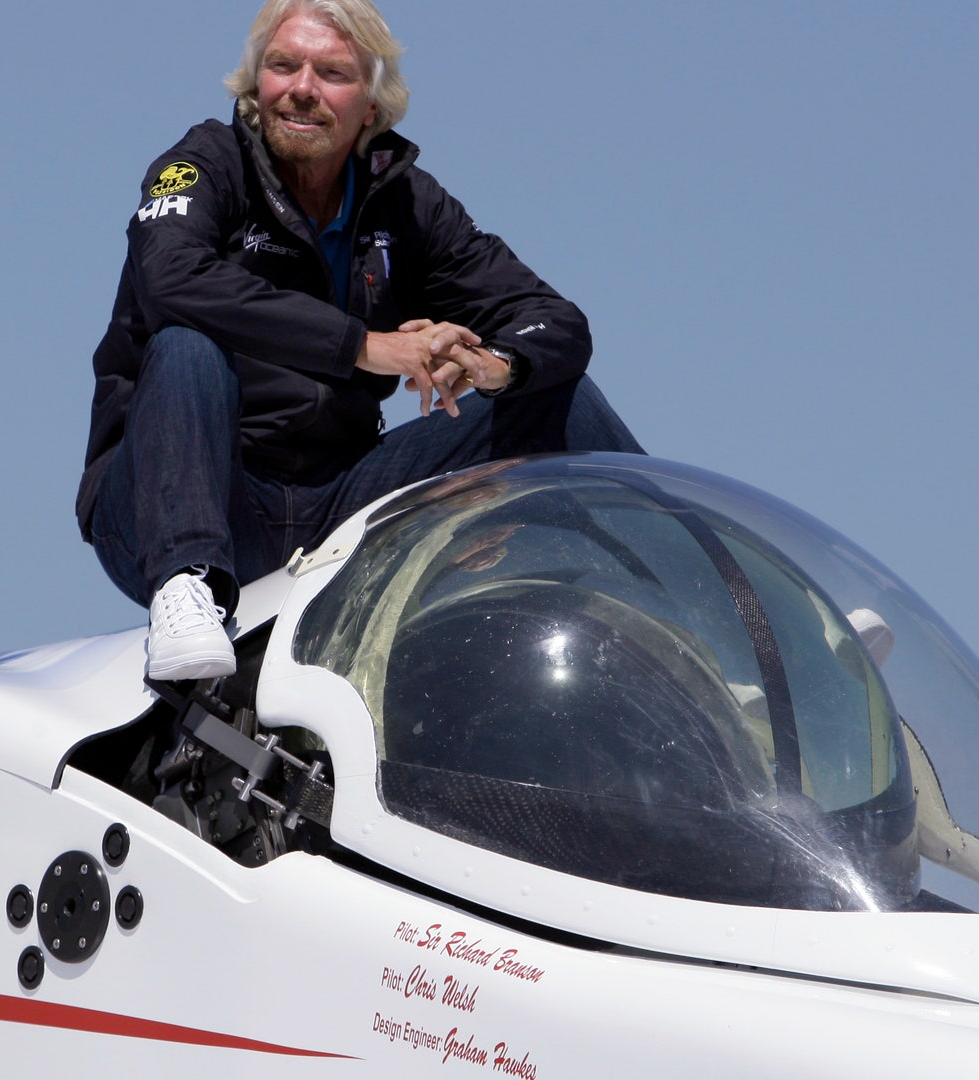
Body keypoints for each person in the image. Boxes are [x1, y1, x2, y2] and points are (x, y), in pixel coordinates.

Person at [78, 0, 644, 680]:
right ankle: (186, 585)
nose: (302, 88)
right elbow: (169, 276)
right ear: (256, 83)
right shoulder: (203, 165)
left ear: (372, 105)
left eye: (332, 73)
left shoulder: (406, 203)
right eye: (283, 66)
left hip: (339, 507)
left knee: (558, 393)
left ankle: (686, 605)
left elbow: (554, 318)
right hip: (181, 503)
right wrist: (365, 346)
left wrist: (491, 363)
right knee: (185, 344)